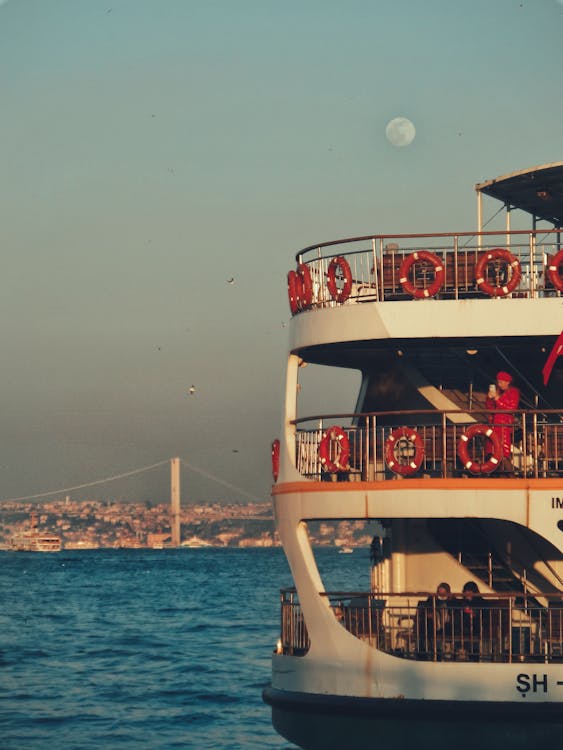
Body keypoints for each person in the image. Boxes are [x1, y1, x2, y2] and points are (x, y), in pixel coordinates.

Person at [485, 370, 520, 470]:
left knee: (504, 450)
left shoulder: (514, 392)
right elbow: (489, 408)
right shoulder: (498, 392)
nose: (499, 384)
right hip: (494, 424)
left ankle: (508, 472)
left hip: (504, 425)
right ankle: (495, 472)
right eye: (498, 382)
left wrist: (497, 399)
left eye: (501, 382)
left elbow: (511, 408)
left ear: (507, 382)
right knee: (492, 450)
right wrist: (489, 398)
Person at [417, 582, 452, 658]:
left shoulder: (451, 600)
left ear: (447, 592)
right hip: (431, 623)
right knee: (426, 625)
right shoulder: (432, 598)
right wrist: (431, 614)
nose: (440, 593)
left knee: (430, 627)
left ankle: (433, 651)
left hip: (445, 625)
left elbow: (451, 613)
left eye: (442, 591)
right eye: (439, 591)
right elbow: (425, 609)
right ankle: (425, 650)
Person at [453, 581, 485, 660]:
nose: (467, 593)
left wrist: (473, 613)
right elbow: (457, 612)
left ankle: (473, 654)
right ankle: (459, 653)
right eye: (466, 591)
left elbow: (484, 615)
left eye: (469, 591)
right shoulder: (461, 602)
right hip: (462, 626)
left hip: (475, 625)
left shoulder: (480, 601)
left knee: (472, 634)